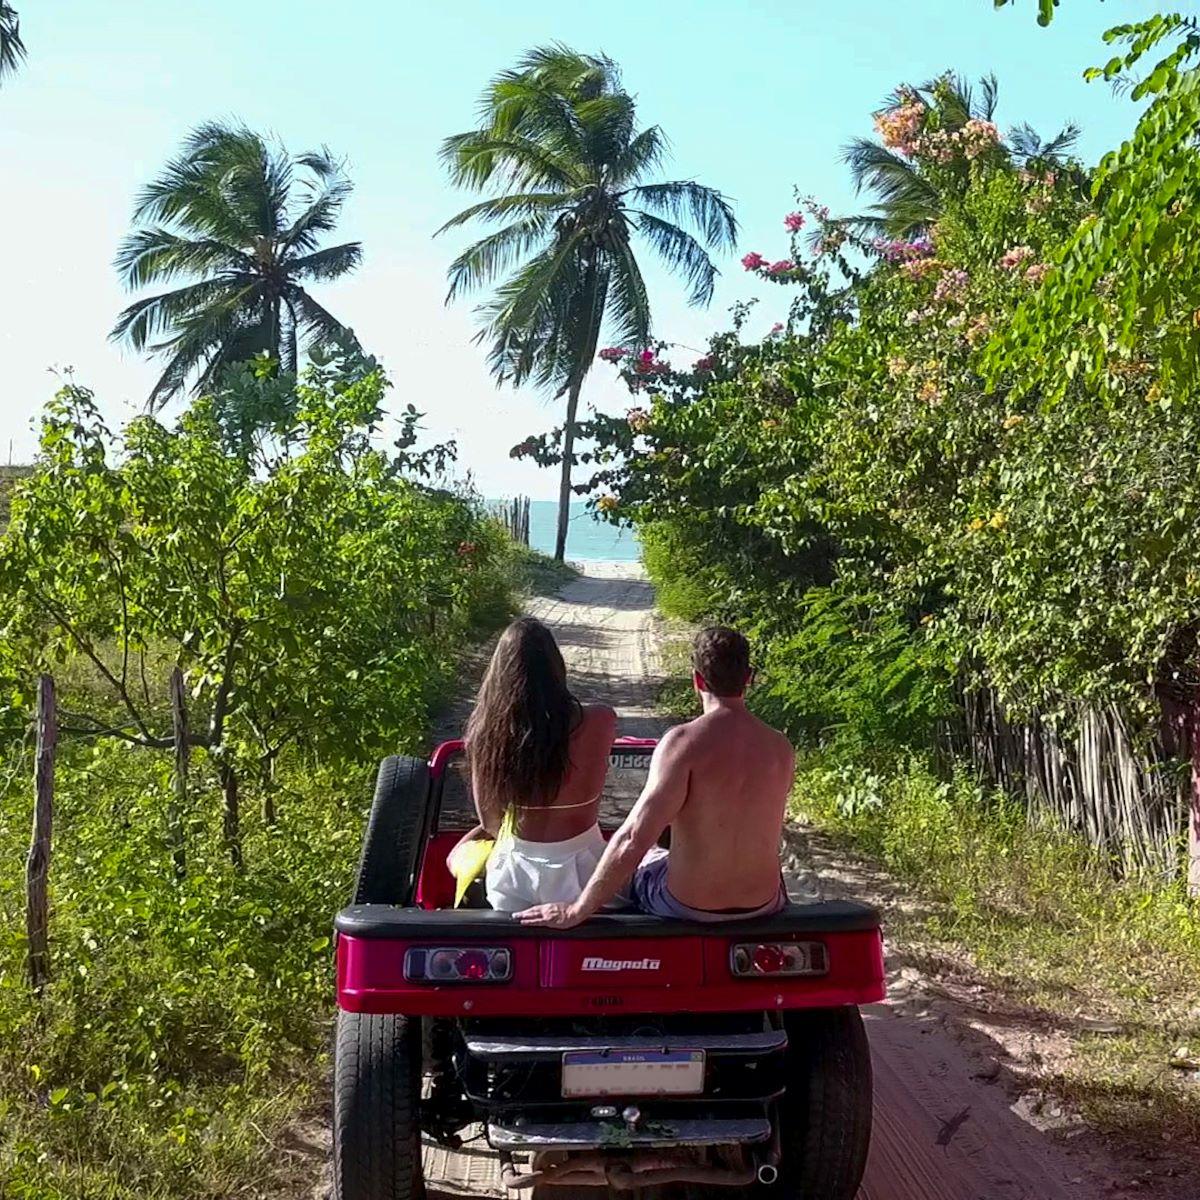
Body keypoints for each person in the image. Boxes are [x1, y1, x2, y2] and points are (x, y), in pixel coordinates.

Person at [516, 626, 793, 928]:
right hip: (764, 903)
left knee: (648, 857)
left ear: (697, 679)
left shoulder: (684, 743)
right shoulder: (780, 747)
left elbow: (634, 837)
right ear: (748, 677)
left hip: (688, 905)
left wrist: (576, 911)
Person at [456, 616, 616, 913]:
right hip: (584, 870)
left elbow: (491, 822)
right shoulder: (600, 720)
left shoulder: (483, 733)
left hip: (514, 875)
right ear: (556, 666)